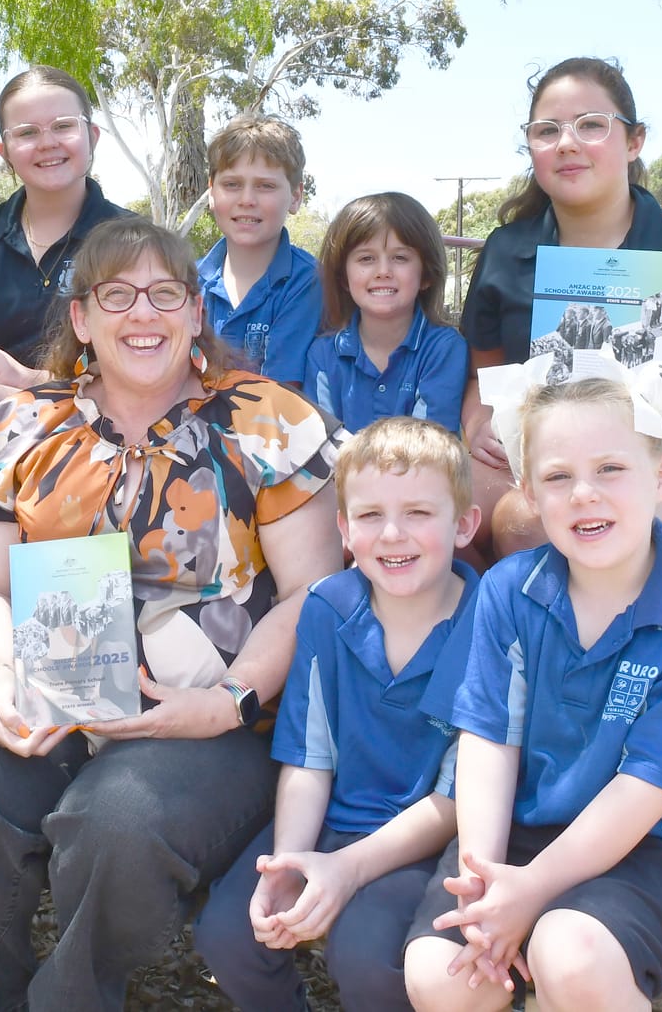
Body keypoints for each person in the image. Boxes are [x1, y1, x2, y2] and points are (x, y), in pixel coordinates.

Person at [0, 217, 347, 1012]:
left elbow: (316, 589)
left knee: (117, 820)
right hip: (57, 694)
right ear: (81, 318)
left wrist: (227, 700)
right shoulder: (22, 428)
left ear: (197, 311)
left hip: (220, 720)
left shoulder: (266, 422)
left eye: (165, 293)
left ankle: (68, 999)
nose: (144, 313)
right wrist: (0, 678)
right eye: (117, 295)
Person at [402, 366, 662, 1012]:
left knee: (567, 955)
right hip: (517, 832)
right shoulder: (508, 592)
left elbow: (644, 793)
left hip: (652, 852)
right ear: (529, 492)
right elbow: (487, 742)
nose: (584, 493)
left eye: (611, 469)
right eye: (558, 475)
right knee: (443, 976)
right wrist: (487, 882)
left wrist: (533, 889)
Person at [193, 417, 482, 1011]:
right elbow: (309, 758)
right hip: (330, 818)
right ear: (345, 530)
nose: (393, 534)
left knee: (370, 959)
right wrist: (292, 862)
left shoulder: (488, 623)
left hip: (426, 838)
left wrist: (343, 869)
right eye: (370, 516)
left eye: (420, 513)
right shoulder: (327, 606)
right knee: (231, 934)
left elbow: (458, 798)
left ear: (465, 525)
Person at [459, 57, 662, 558]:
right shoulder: (506, 252)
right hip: (531, 456)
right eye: (547, 131)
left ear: (634, 141)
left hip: (660, 467)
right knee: (440, 516)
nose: (567, 142)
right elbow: (481, 377)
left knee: (569, 529)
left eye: (592, 125)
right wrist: (477, 425)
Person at [0, 66, 131, 408]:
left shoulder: (133, 241)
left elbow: (149, 358)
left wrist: (31, 379)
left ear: (92, 136)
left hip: (97, 418)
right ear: (4, 151)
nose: (48, 143)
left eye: (64, 126)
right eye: (27, 133)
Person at [304, 192, 469, 434]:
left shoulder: (443, 348)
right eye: (366, 258)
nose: (383, 271)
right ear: (343, 277)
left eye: (400, 258)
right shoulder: (323, 355)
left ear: (426, 275)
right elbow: (321, 446)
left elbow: (429, 448)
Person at [197, 115, 321, 383]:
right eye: (232, 184)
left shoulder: (310, 283)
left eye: (266, 186)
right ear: (211, 192)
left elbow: (281, 395)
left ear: (296, 197)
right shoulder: (187, 281)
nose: (247, 200)